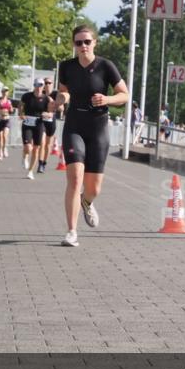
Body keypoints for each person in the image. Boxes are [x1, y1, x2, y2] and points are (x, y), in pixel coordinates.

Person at [54, 25, 129, 246]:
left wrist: (107, 99)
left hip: (98, 127)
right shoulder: (67, 66)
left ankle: (86, 202)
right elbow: (64, 91)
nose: (83, 46)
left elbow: (124, 95)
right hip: (75, 125)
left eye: (87, 42)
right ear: (74, 45)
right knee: (75, 178)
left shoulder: (106, 66)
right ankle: (71, 231)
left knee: (93, 188)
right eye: (79, 42)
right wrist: (61, 99)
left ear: (95, 43)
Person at [19, 78, 51, 179]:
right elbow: (20, 106)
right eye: (36, 85)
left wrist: (47, 114)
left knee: (36, 149)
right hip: (27, 124)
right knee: (28, 148)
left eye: (40, 85)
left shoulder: (46, 99)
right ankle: (25, 156)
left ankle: (30, 171)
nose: (38, 87)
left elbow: (51, 113)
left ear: (43, 86)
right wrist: (21, 114)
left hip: (39, 124)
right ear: (34, 85)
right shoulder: (27, 96)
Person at [37, 77, 58, 173]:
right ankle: (40, 163)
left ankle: (44, 163)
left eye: (49, 83)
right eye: (45, 83)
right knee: (42, 143)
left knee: (48, 145)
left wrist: (53, 103)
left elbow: (61, 108)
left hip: (51, 121)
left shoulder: (56, 94)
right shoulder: (40, 94)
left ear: (52, 84)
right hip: (42, 121)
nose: (47, 84)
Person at [0, 88, 14, 160]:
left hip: (6, 120)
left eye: (6, 91)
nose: (5, 93)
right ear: (1, 92)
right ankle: (0, 153)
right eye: (4, 91)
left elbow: (12, 111)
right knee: (0, 137)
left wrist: (10, 108)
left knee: (5, 136)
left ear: (8, 93)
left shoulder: (9, 101)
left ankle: (5, 148)